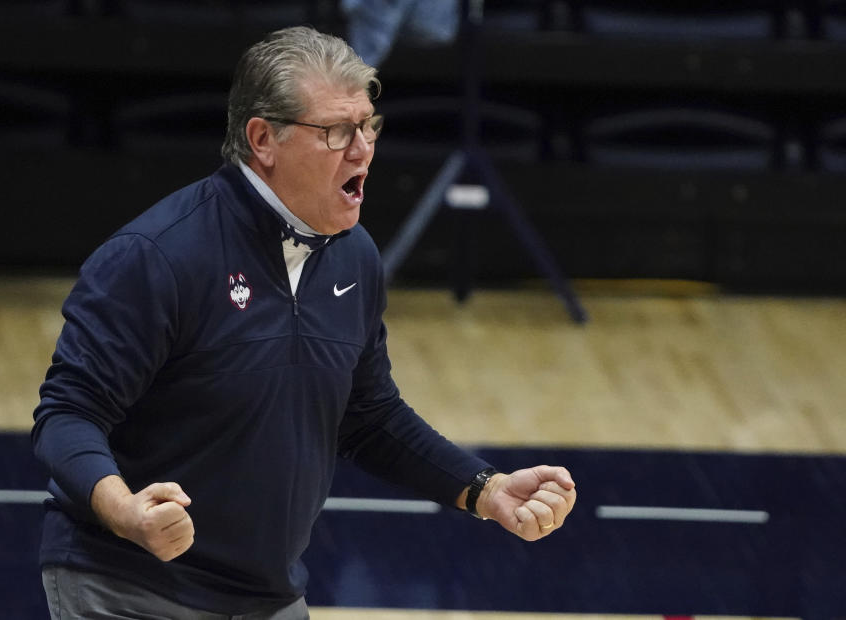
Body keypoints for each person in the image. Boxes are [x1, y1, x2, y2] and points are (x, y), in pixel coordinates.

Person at [31, 25, 576, 620]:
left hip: (268, 596)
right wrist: (126, 512)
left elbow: (367, 416)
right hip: (130, 586)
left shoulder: (355, 256)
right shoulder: (157, 256)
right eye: (336, 131)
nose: (363, 147)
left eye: (368, 124)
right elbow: (68, 413)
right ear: (263, 139)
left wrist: (486, 489)